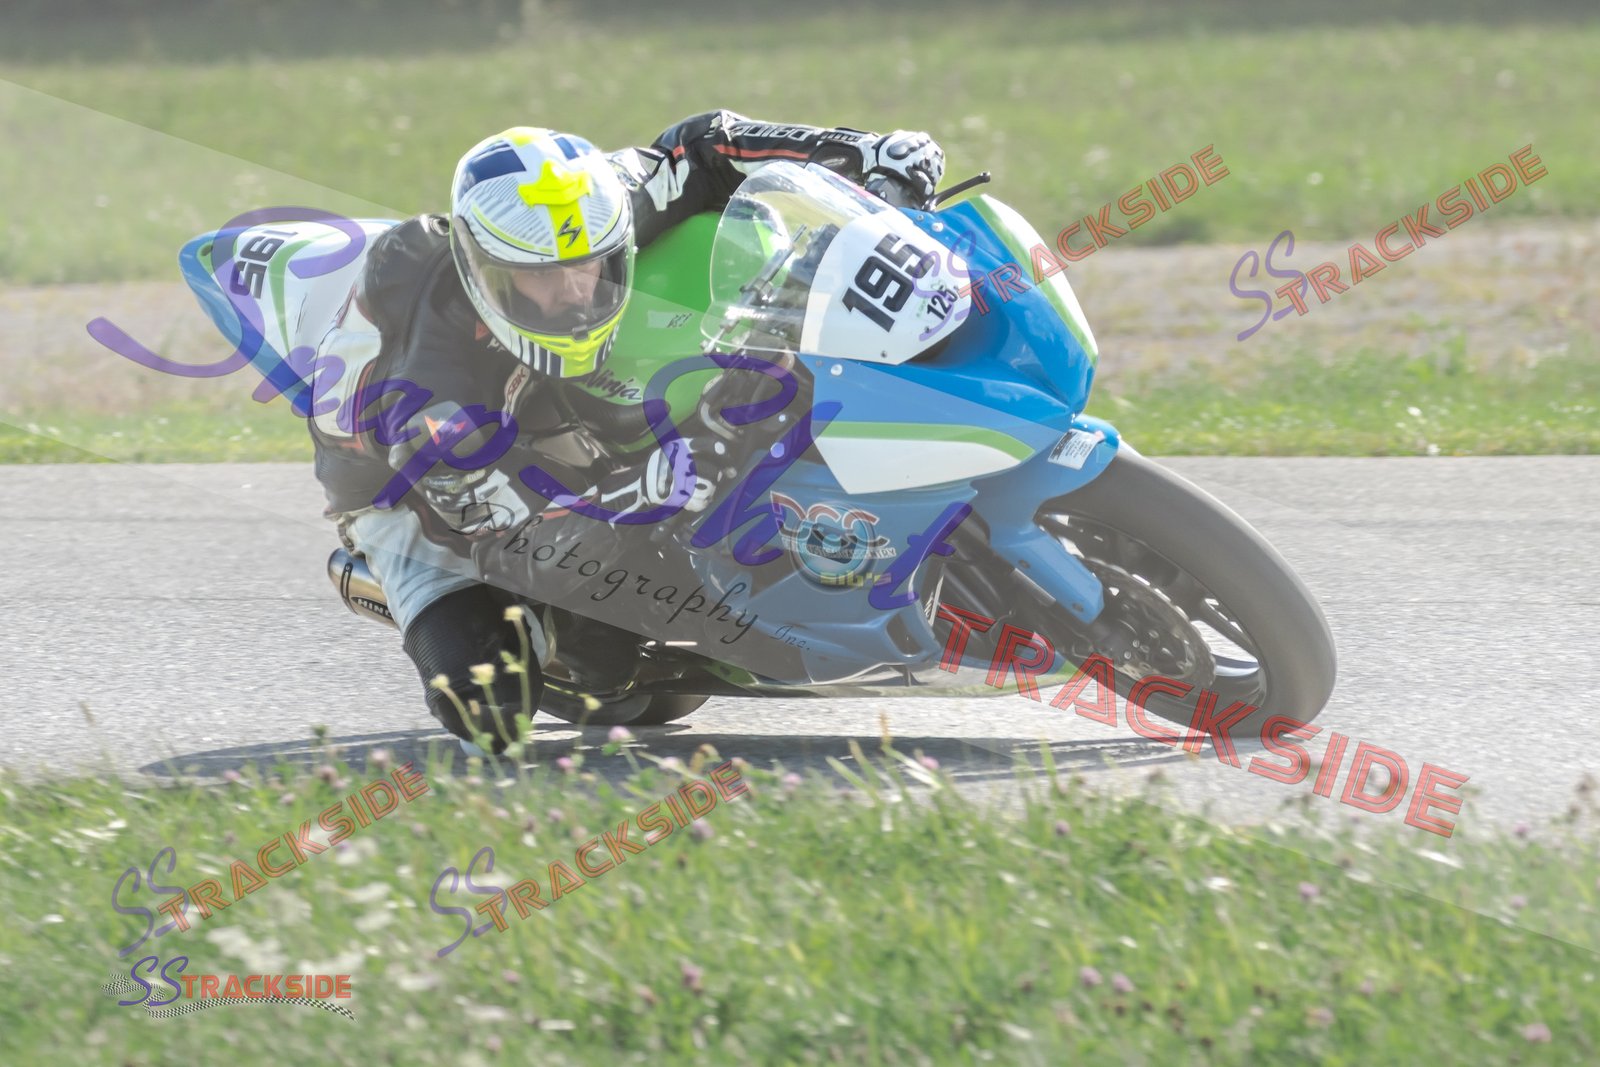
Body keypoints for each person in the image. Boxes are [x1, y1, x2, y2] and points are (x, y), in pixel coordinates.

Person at [315, 111, 946, 754]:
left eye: (590, 266)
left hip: (545, 401)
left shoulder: (599, 205)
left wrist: (862, 154)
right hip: (418, 495)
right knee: (495, 709)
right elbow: (524, 547)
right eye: (540, 277)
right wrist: (649, 487)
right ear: (486, 274)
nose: (572, 295)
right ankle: (398, 582)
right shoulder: (432, 402)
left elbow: (703, 145)